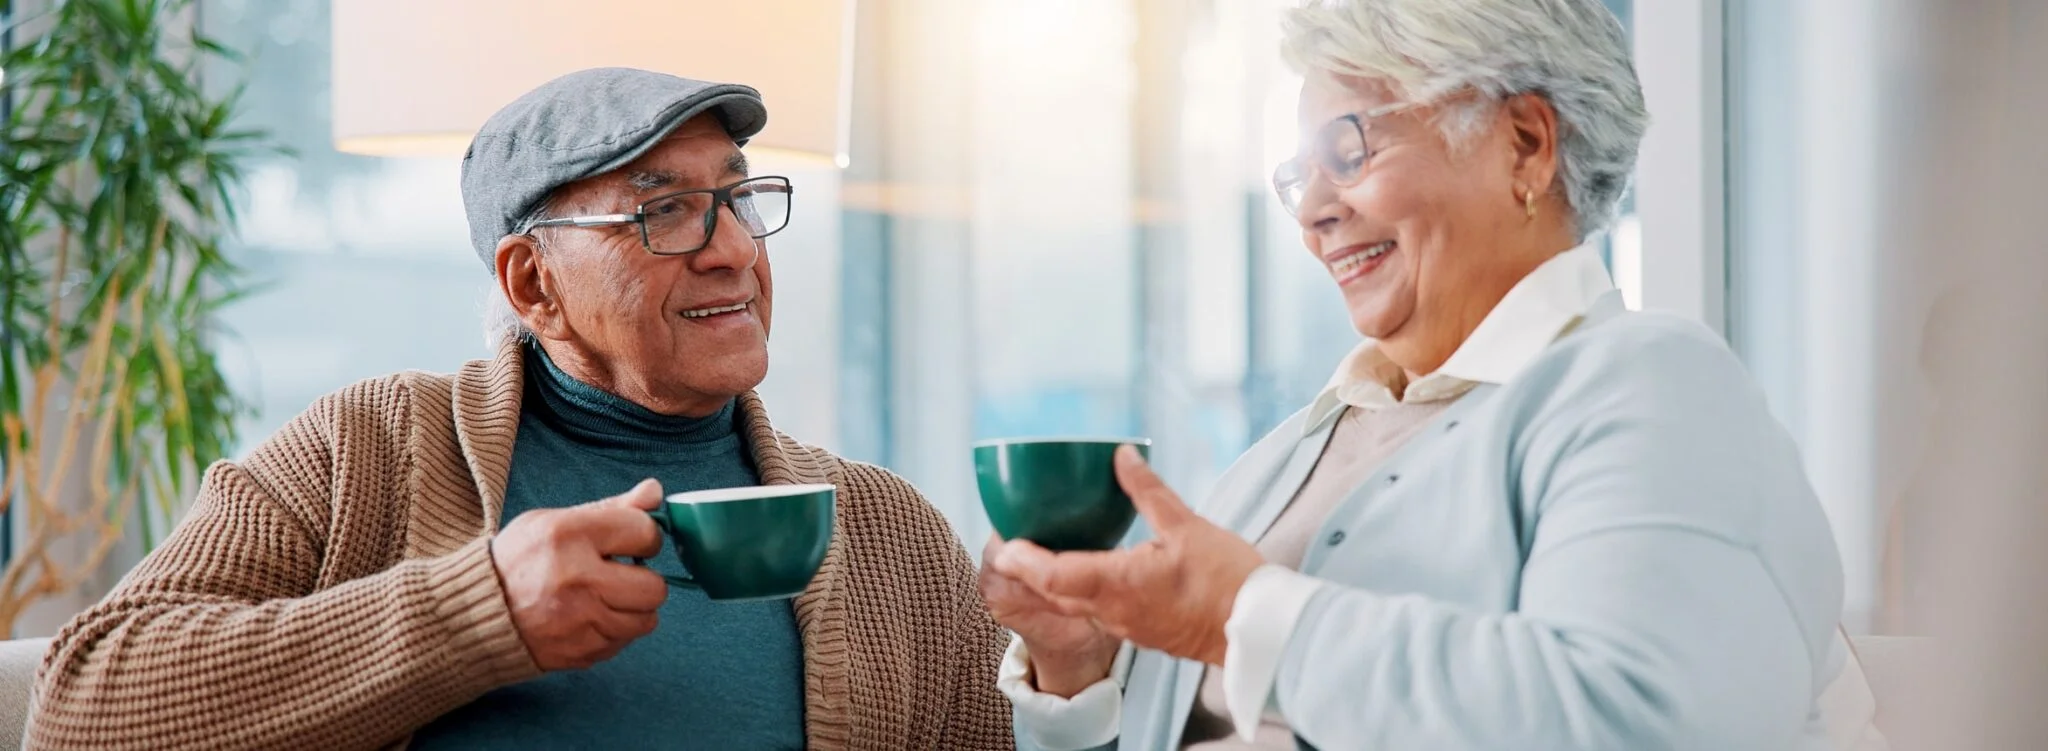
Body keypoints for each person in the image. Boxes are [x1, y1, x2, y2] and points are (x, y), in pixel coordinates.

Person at [29, 68, 1013, 750]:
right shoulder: (368, 450)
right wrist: (476, 611)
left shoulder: (890, 535)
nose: (731, 250)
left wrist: (1066, 682)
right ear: (533, 283)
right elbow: (81, 708)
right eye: (662, 209)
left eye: (737, 195)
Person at [982, 1, 1879, 749]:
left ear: (1526, 145)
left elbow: (1640, 721)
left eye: (1350, 152)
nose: (1317, 216)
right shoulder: (1274, 464)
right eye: (1301, 178)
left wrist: (1245, 615)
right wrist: (1081, 667)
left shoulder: (1653, 390)